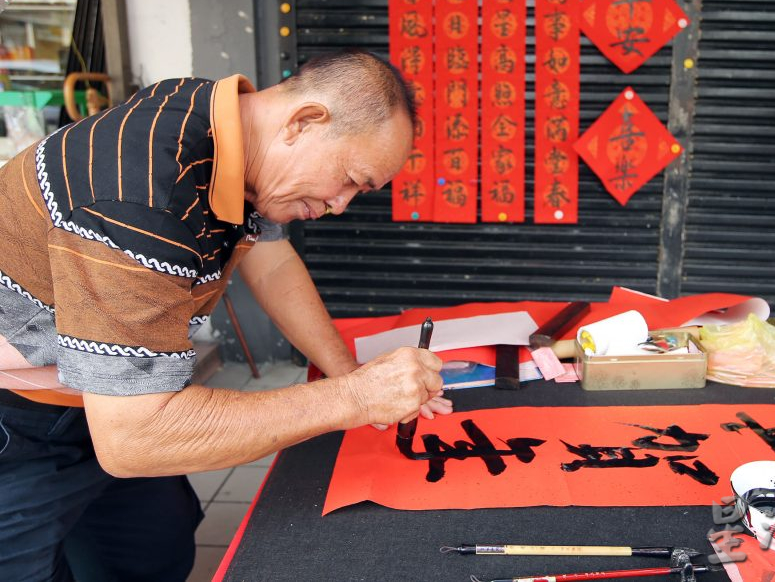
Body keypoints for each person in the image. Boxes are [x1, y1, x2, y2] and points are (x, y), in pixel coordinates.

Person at [0, 49, 451, 581]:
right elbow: (134, 439)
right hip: (20, 417)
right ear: (304, 122)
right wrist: (351, 398)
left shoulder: (217, 120)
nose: (340, 205)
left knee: (151, 550)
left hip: (106, 391)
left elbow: (271, 259)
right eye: (349, 178)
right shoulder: (140, 198)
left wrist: (346, 370)